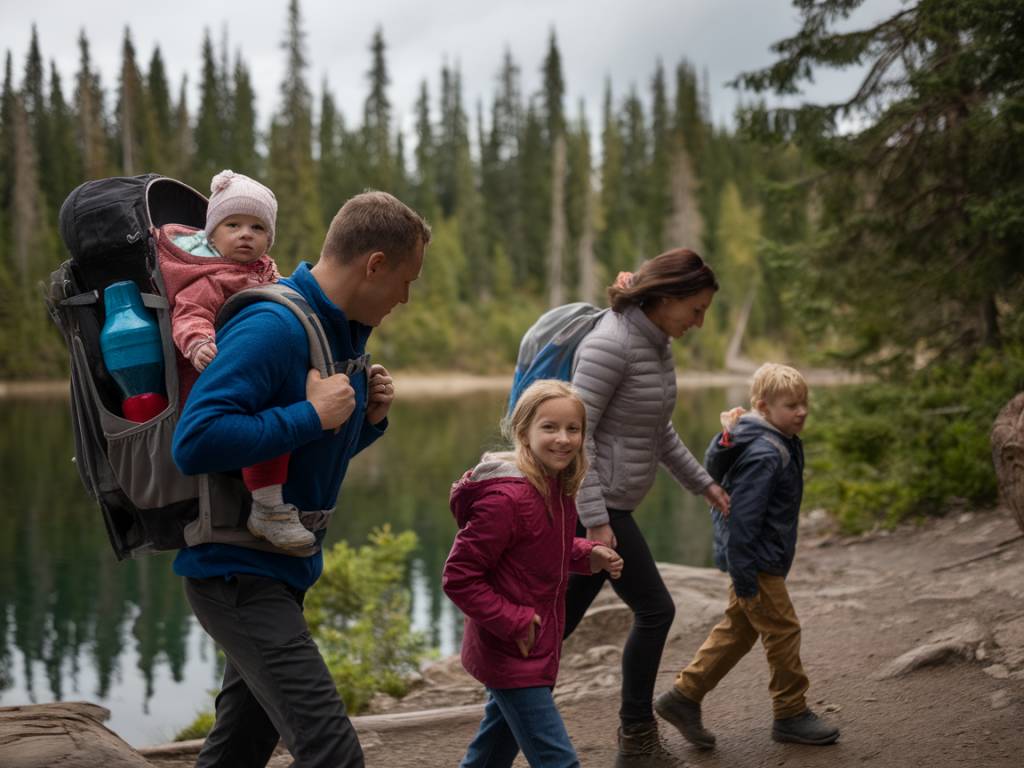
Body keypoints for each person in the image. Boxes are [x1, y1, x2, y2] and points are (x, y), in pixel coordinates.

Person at [171, 190, 430, 768]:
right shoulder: (274, 325)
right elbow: (196, 440)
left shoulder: (336, 331)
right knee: (334, 754)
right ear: (375, 265)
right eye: (407, 281)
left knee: (241, 747)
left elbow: (308, 454)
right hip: (239, 575)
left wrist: (366, 422)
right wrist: (312, 414)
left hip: (278, 570)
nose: (405, 298)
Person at [561, 248, 731, 764]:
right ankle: (635, 738)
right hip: (594, 507)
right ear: (666, 297)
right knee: (655, 610)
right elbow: (575, 438)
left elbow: (658, 431)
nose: (698, 323)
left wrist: (704, 485)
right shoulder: (610, 344)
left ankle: (504, 717)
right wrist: (595, 522)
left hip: (609, 509)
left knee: (552, 628)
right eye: (695, 310)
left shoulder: (654, 343)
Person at [654, 363, 840, 748]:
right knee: (783, 630)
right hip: (755, 562)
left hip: (756, 559)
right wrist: (744, 575)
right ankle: (790, 712)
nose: (801, 412)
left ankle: (683, 697)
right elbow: (743, 521)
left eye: (804, 403)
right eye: (791, 405)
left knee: (738, 630)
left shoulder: (773, 438)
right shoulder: (765, 453)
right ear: (763, 406)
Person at [443, 380, 625, 768]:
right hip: (510, 649)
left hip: (534, 646)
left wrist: (587, 553)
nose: (563, 439)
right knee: (559, 761)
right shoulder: (506, 498)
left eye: (572, 429)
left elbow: (539, 551)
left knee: (491, 755)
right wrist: (515, 619)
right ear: (523, 431)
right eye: (550, 427)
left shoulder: (555, 485)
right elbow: (458, 577)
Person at [159, 169, 310, 550]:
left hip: (253, 374)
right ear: (212, 235)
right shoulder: (211, 277)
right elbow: (188, 313)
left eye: (258, 228)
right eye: (234, 224)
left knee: (282, 417)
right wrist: (196, 343)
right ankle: (268, 508)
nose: (246, 234)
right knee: (268, 421)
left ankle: (269, 500)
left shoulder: (266, 273)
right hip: (213, 377)